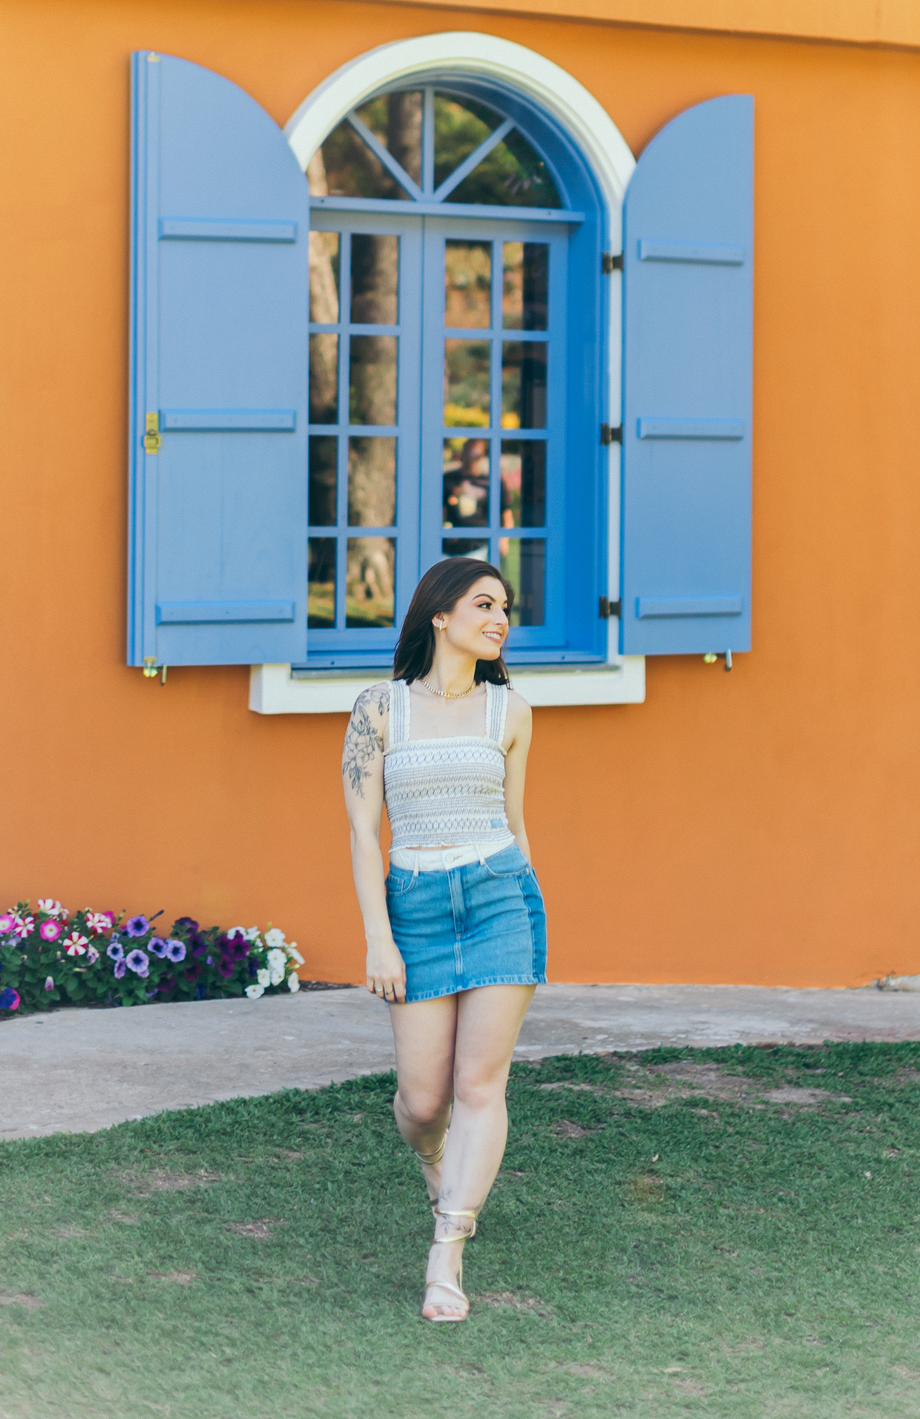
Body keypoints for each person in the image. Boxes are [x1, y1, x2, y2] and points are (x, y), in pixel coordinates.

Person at [341, 557, 547, 1322]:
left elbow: (516, 822)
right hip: (416, 908)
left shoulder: (512, 711)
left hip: (500, 898)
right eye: (484, 603)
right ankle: (437, 1161)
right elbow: (364, 832)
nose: (500, 618)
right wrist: (378, 938)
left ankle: (446, 1258)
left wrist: (530, 899)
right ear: (439, 613)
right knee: (425, 1102)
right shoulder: (379, 709)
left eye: (506, 607)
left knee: (478, 1087)